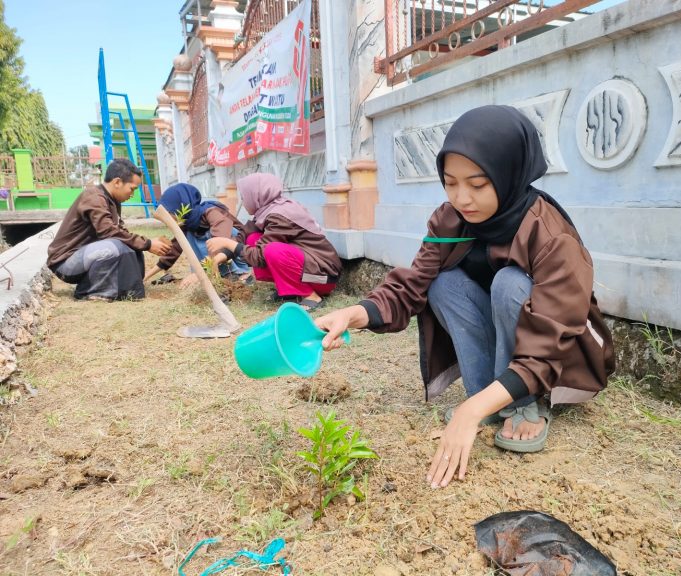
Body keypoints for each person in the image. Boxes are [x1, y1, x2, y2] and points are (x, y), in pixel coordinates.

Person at [314, 105, 615, 488]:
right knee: (443, 283)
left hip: (556, 351)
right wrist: (352, 314)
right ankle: (487, 396)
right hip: (510, 338)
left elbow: (551, 341)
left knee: (510, 283)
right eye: (450, 182)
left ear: (509, 174)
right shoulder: (450, 220)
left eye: (477, 184)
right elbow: (413, 283)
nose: (462, 198)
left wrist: (467, 413)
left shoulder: (551, 236)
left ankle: (524, 404)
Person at [206, 173, 342, 311]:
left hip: (322, 277)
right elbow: (244, 236)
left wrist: (226, 242)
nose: (243, 201)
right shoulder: (266, 211)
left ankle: (311, 296)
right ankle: (291, 290)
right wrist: (221, 256)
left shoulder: (280, 215)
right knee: (253, 238)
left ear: (256, 194)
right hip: (309, 269)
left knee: (271, 250)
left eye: (244, 196)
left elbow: (260, 256)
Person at [47, 158, 171, 302]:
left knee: (131, 247)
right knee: (115, 247)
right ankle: (90, 291)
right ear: (117, 182)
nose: (132, 195)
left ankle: (128, 291)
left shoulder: (111, 200)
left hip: (84, 257)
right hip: (65, 263)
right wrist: (148, 244)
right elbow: (108, 232)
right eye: (132, 189)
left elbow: (119, 232)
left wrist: (143, 244)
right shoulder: (94, 197)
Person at [144, 183, 251, 288]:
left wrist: (199, 274)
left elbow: (222, 245)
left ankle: (238, 274)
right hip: (212, 263)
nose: (167, 219)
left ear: (178, 208)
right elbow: (174, 250)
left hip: (233, 253)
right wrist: (145, 277)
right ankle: (214, 275)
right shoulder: (187, 223)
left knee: (219, 238)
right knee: (188, 234)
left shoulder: (212, 212)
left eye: (168, 213)